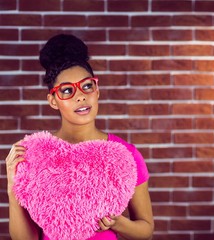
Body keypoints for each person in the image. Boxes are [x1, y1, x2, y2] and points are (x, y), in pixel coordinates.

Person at [5, 34, 154, 240]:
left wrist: (118, 223)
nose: (80, 95)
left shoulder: (125, 155)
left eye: (87, 86)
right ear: (53, 100)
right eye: (67, 90)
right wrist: (14, 190)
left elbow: (145, 230)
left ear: (97, 90)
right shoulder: (35, 156)